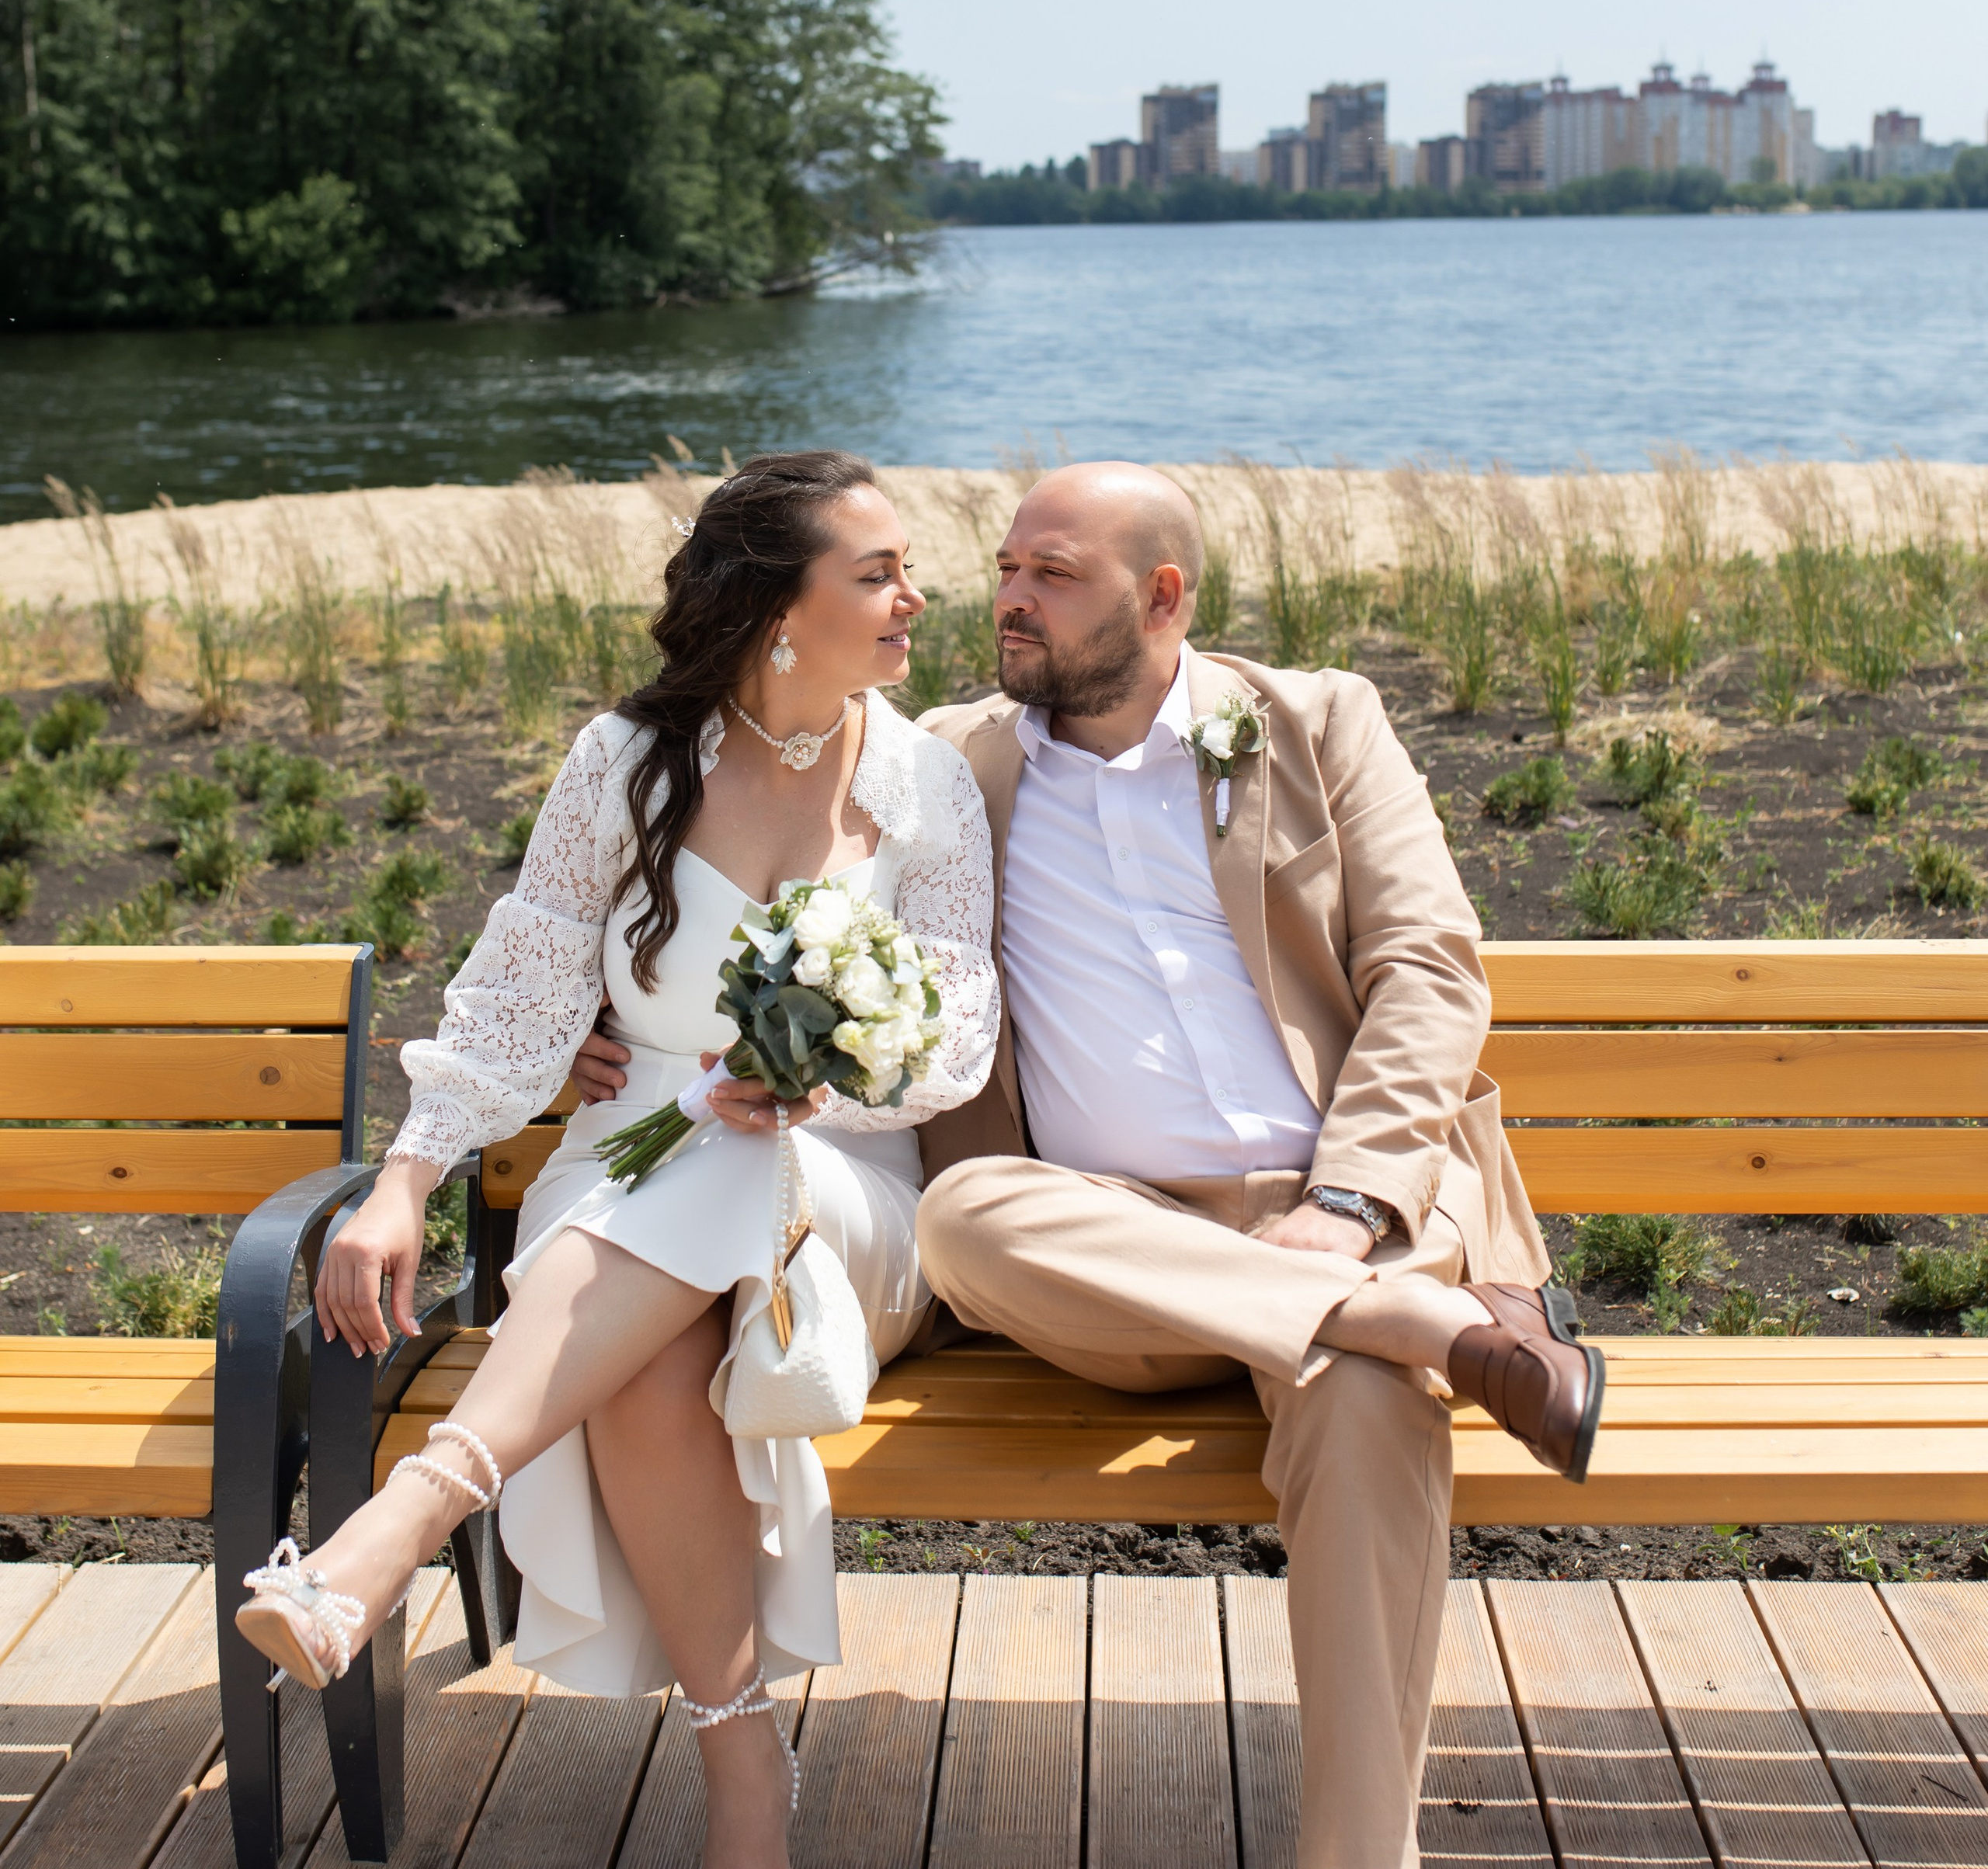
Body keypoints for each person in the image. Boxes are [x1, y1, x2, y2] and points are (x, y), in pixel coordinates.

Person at [575, 460, 1602, 1869]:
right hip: (1093, 1245)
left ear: (1162, 597)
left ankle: (1363, 1855)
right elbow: (739, 820)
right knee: (970, 1211)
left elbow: (1430, 975)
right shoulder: (946, 761)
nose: (1005, 600)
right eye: (1004, 568)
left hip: (1345, 1221)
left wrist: (1350, 1203)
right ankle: (1409, 1327)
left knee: (1365, 1405)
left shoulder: (1315, 723)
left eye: (1050, 576)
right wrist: (598, 1017)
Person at [234, 450, 997, 1869]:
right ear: (780, 611)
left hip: (839, 1189)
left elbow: (953, 1039)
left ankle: (398, 1529)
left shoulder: (926, 783)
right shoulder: (628, 763)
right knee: (645, 1338)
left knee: (709, 1170)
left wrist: (819, 1067)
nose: (915, 598)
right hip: (633, 1169)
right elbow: (520, 981)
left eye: (906, 571)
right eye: (879, 573)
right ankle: (746, 1779)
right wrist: (407, 1174)